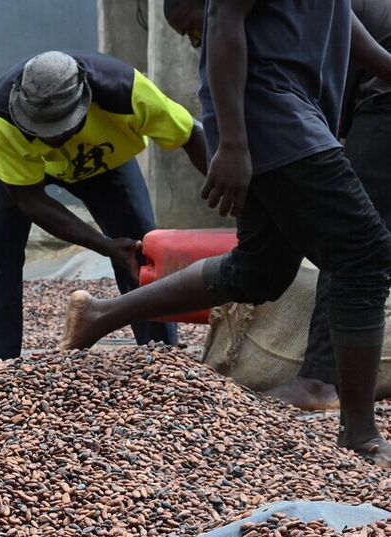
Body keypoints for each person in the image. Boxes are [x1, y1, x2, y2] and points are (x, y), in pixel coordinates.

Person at [63, 0, 391, 467]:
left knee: (259, 271)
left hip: (285, 115)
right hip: (270, 114)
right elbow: (223, 18)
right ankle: (360, 434)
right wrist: (234, 144)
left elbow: (337, 16)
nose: (191, 40)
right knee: (364, 254)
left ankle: (99, 315)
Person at [0, 51, 208, 368]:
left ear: (86, 103)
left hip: (102, 162)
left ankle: (161, 355)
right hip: (22, 174)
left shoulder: (123, 89)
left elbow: (191, 133)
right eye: (41, 130)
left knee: (141, 245)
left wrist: (228, 189)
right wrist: (103, 246)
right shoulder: (2, 115)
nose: (52, 141)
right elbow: (27, 199)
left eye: (61, 129)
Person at [269, 0, 391, 412]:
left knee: (350, 240)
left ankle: (319, 381)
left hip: (384, 98)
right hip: (376, 90)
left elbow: (320, 95)